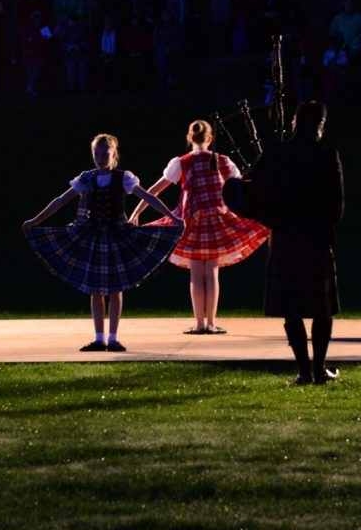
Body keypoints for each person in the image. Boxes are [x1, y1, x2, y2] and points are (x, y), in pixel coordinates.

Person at [23, 134, 184, 352]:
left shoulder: (123, 178)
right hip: (93, 236)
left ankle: (114, 338)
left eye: (105, 153)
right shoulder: (86, 179)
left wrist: (172, 217)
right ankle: (99, 338)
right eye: (96, 153)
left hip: (117, 235)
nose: (100, 157)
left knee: (116, 288)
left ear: (114, 154)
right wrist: (36, 220)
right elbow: (61, 200)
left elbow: (147, 197)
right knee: (95, 289)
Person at [225, 101, 343, 385]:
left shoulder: (276, 154)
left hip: (284, 237)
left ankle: (304, 370)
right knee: (321, 309)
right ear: (320, 125)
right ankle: (318, 370)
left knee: (291, 309)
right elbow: (336, 208)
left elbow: (244, 188)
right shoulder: (326, 156)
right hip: (315, 238)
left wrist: (272, 211)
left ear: (294, 123)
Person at [130, 120, 269, 334]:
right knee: (212, 272)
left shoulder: (182, 162)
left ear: (189, 138)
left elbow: (155, 189)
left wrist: (137, 212)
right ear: (210, 138)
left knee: (196, 274)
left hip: (190, 222)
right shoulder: (224, 161)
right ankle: (211, 323)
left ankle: (199, 323)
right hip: (216, 221)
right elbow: (241, 187)